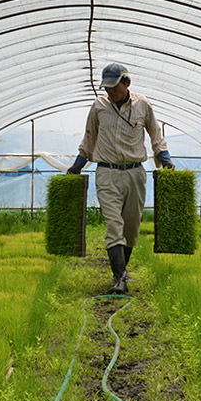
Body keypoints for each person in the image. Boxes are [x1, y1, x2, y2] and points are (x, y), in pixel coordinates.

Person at [67, 63, 174, 294]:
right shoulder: (99, 107)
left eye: (114, 87)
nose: (109, 92)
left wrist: (165, 160)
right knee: (114, 225)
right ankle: (119, 278)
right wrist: (76, 166)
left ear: (126, 83)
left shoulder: (143, 106)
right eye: (106, 88)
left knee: (131, 228)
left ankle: (122, 272)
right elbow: (88, 139)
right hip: (107, 172)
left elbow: (156, 135)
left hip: (135, 172)